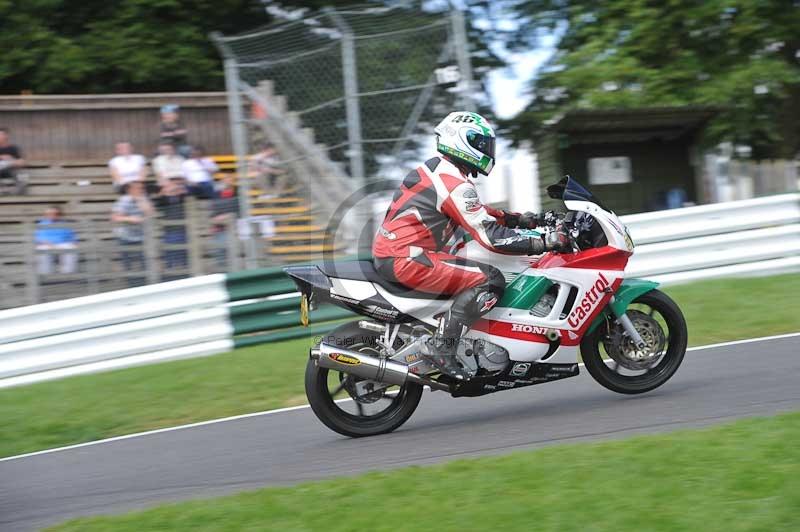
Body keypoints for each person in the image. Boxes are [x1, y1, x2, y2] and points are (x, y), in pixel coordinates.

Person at [373, 111, 570, 379]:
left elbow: (479, 213)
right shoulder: (454, 182)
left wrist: (527, 219)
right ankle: (442, 347)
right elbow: (491, 236)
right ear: (460, 141)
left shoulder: (441, 171)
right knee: (489, 281)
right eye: (480, 144)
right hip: (408, 258)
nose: (486, 150)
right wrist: (544, 242)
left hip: (402, 254)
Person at [111, 181, 154, 287]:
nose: (141, 190)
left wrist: (141, 200)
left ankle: (145, 284)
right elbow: (115, 217)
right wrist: (130, 218)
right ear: (130, 190)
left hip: (140, 236)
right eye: (138, 188)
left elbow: (150, 213)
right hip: (125, 236)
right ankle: (130, 285)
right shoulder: (124, 201)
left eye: (141, 188)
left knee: (144, 261)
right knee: (127, 262)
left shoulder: (143, 199)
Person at [153, 179, 188, 277]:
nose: (171, 188)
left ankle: (184, 273)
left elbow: (186, 194)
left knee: (183, 253)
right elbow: (156, 202)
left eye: (172, 185)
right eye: (168, 186)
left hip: (182, 230)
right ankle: (170, 274)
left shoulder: (181, 197)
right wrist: (164, 191)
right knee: (170, 253)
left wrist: (178, 189)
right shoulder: (163, 199)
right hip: (170, 231)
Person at [34, 206, 78, 275]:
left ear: (60, 214)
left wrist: (73, 243)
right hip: (47, 244)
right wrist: (49, 244)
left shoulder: (65, 224)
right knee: (42, 249)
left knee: (72, 248)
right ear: (46, 215)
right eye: (49, 214)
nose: (52, 215)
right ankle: (45, 273)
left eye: (55, 214)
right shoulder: (41, 224)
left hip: (62, 244)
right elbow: (39, 239)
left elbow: (72, 238)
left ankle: (67, 273)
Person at [211, 174, 241, 268]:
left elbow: (239, 211)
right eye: (225, 180)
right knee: (219, 248)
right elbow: (214, 212)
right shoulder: (217, 195)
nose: (227, 182)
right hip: (220, 228)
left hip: (234, 227)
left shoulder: (237, 194)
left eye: (230, 179)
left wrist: (227, 216)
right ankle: (221, 268)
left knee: (227, 245)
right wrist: (215, 218)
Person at [0, 127, 26, 194]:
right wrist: (2, 157)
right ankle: (3, 190)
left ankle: (16, 191)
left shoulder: (13, 148)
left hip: (11, 170)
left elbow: (22, 162)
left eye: (1, 135)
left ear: (6, 136)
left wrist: (10, 161)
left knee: (21, 175)